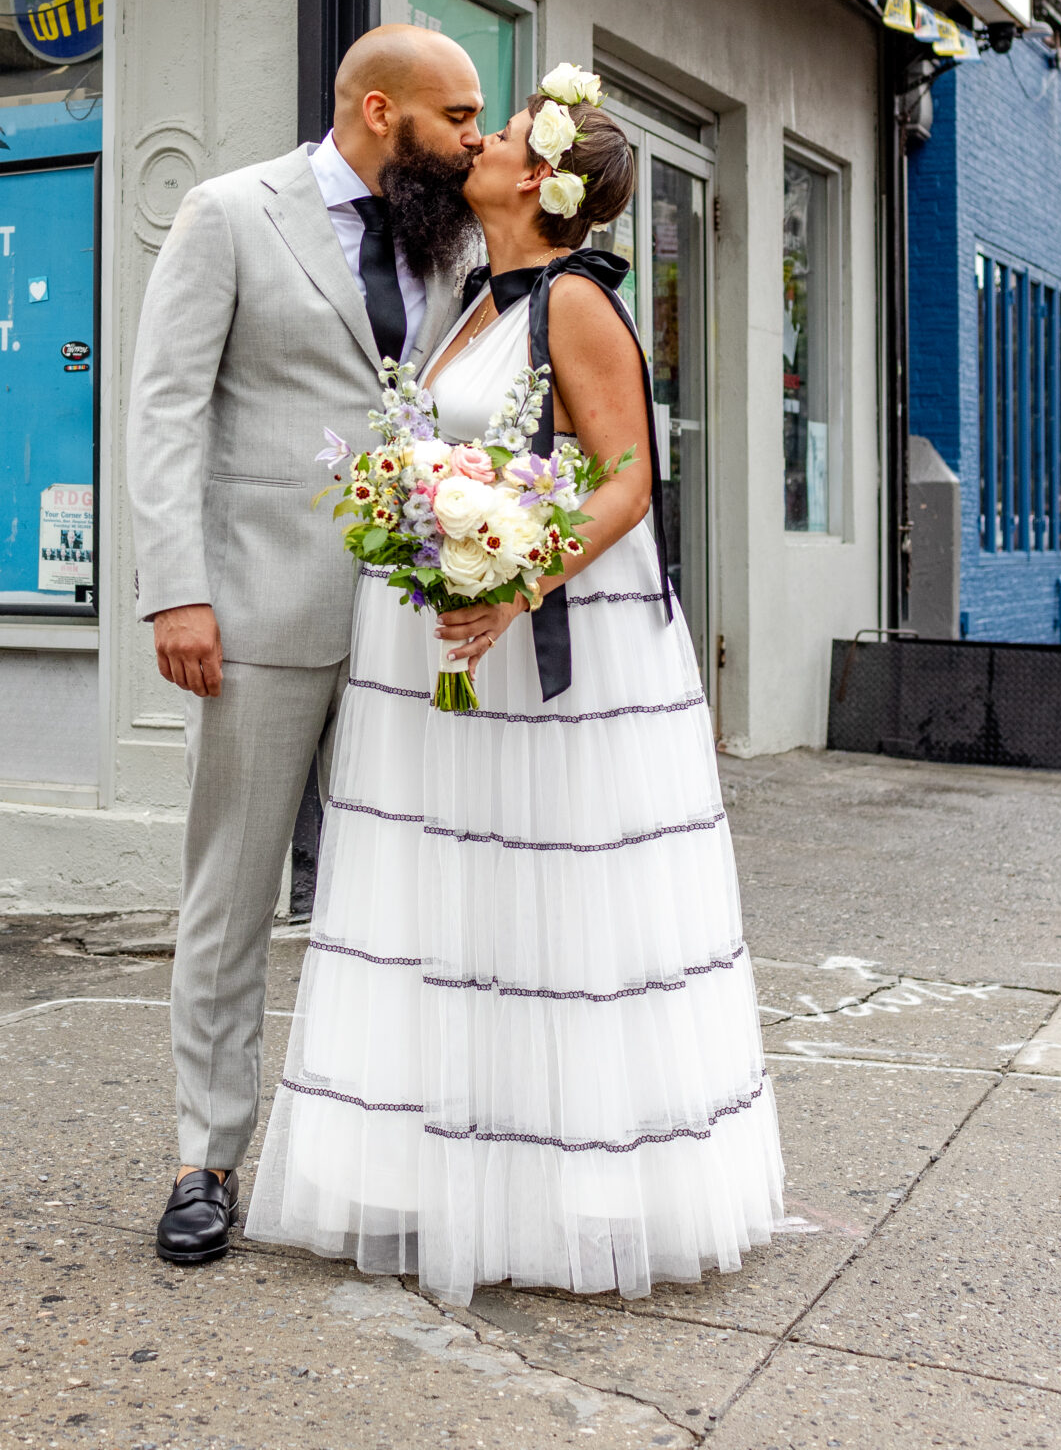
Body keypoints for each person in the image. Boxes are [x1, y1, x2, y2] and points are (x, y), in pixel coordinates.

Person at [246, 93, 784, 1304]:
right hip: (443, 642)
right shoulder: (472, 302)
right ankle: (449, 1168)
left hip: (543, 657)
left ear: (543, 185)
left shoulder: (577, 302)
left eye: (503, 134)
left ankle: (561, 1193)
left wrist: (510, 576)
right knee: (461, 900)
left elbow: (630, 478)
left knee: (552, 899)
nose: (477, 142)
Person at [128, 23, 487, 1267]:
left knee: (389, 899)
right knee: (231, 896)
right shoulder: (230, 215)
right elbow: (165, 405)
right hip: (256, 616)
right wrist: (176, 590)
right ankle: (206, 1156)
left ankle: (379, 1152)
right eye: (460, 116)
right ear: (382, 111)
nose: (476, 138)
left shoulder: (447, 235)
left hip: (406, 622)